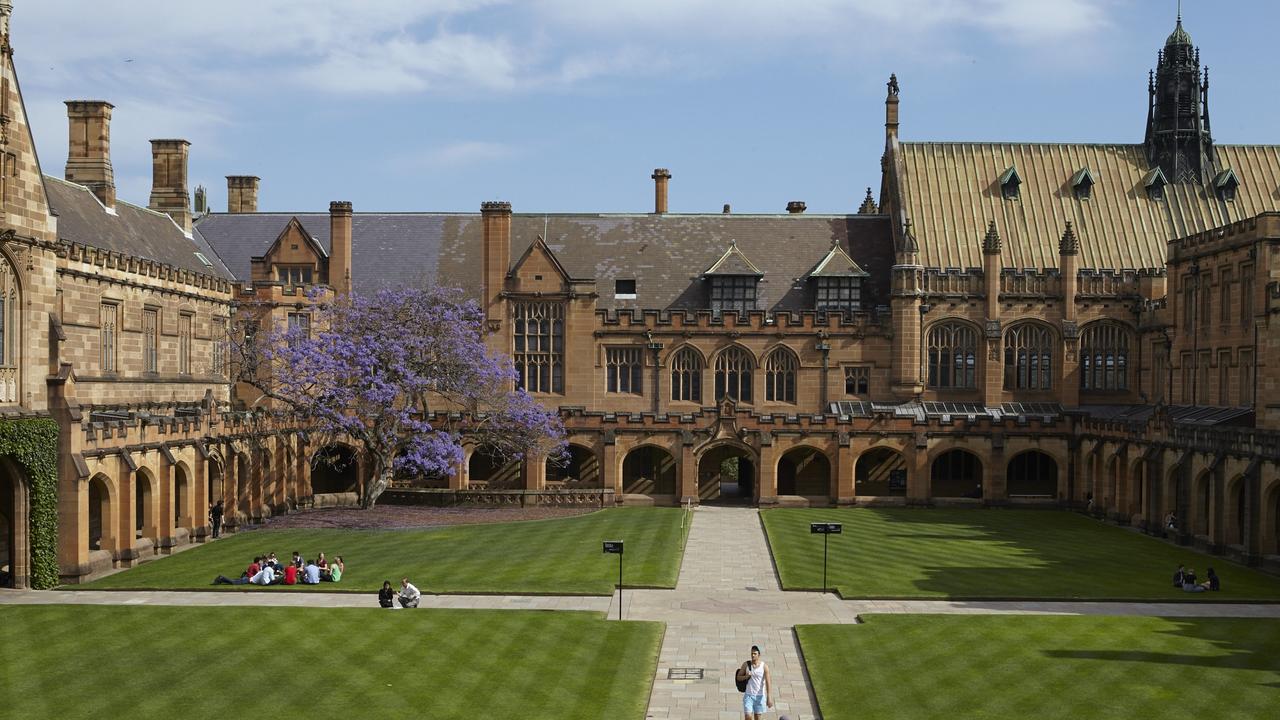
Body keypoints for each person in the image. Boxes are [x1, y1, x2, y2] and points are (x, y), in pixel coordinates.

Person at [740, 645, 773, 720]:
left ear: (759, 655)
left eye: (755, 653)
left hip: (760, 696)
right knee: (748, 716)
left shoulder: (764, 667)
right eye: (752, 653)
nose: (753, 655)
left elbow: (768, 682)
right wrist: (746, 676)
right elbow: (738, 677)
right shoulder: (746, 664)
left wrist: (769, 697)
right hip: (748, 696)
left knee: (757, 718)